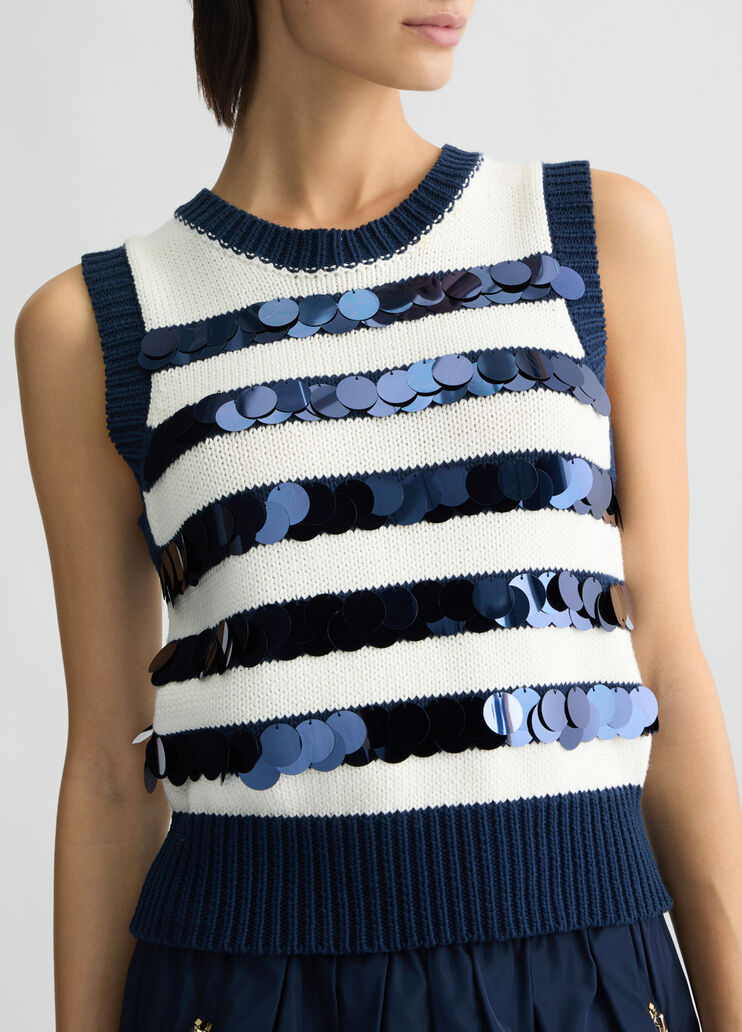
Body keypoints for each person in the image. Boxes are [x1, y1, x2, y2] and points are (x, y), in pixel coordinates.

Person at [14, 1, 742, 1029]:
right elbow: (106, 765)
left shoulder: (588, 235)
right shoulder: (98, 328)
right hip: (248, 990)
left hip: (581, 980)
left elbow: (662, 656)